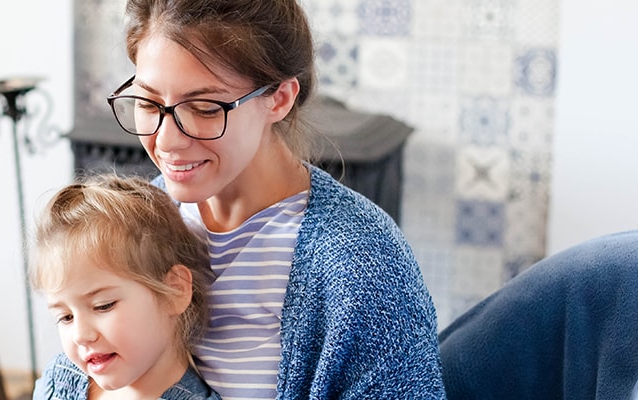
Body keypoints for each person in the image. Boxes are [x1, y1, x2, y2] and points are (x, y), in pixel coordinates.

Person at [106, 0, 446, 398]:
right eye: (148, 104)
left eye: (204, 108)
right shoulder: (139, 222)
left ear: (279, 98)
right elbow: (74, 373)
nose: (166, 141)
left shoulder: (360, 262)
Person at [30, 174, 221, 400]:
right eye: (66, 317)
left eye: (103, 306)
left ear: (175, 291)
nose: (81, 335)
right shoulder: (60, 379)